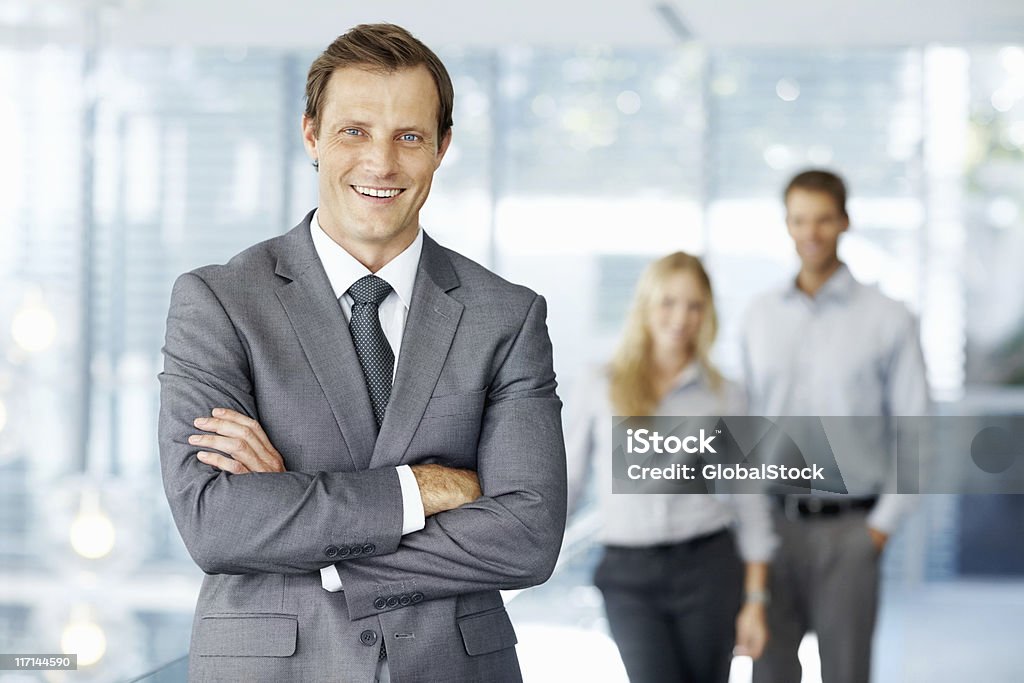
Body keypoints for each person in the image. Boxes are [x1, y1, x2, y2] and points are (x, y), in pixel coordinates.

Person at [158, 24, 567, 683]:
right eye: (355, 131)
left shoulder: (507, 315)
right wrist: (423, 487)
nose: (381, 163)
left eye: (410, 136)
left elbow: (529, 533)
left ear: (441, 149)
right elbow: (216, 523)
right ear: (312, 136)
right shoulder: (220, 301)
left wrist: (300, 526)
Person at [742, 169, 929, 683]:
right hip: (772, 530)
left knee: (846, 674)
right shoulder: (758, 316)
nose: (811, 232)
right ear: (786, 223)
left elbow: (917, 431)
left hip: (851, 529)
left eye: (823, 219)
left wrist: (879, 529)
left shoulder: (889, 318)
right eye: (799, 219)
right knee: (769, 674)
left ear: (845, 221)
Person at [564, 252, 777, 683]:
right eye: (668, 302)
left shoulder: (724, 395)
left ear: (708, 314)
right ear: (645, 306)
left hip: (707, 567)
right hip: (629, 573)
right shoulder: (599, 384)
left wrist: (755, 601)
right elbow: (565, 484)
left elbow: (749, 501)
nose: (680, 317)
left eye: (694, 305)